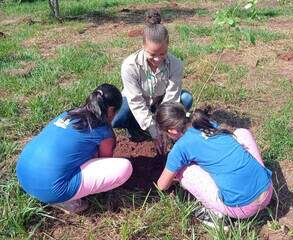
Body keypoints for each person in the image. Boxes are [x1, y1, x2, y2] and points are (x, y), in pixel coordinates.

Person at [16, 84, 133, 213]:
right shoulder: (104, 132)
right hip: (51, 189)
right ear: (111, 110)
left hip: (23, 174)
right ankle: (65, 201)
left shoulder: (69, 114)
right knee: (124, 168)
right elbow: (105, 160)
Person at [155, 103, 273, 220]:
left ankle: (215, 217)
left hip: (242, 208)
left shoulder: (180, 148)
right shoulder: (205, 123)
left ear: (172, 131)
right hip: (267, 191)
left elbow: (161, 186)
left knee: (184, 171)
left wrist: (174, 177)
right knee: (242, 133)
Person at [112, 9, 193, 153]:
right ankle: (134, 129)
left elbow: (171, 98)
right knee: (118, 117)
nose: (157, 59)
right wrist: (153, 131)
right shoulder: (130, 66)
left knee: (186, 99)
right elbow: (135, 100)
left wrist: (163, 128)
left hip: (159, 102)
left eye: (162, 53)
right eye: (152, 54)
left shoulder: (175, 64)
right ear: (143, 46)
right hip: (136, 102)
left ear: (168, 46)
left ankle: (159, 126)